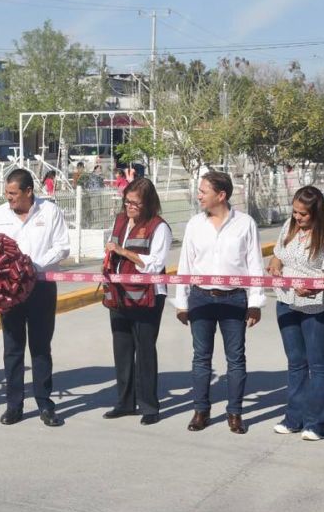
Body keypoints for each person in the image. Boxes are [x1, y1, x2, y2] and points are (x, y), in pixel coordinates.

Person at [174, 170, 265, 435]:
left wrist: (255, 302)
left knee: (235, 359)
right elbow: (185, 265)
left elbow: (254, 265)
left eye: (204, 191)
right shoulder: (194, 224)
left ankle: (235, 413)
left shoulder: (245, 223)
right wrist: (181, 302)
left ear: (221, 195)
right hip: (201, 298)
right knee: (201, 358)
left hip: (233, 299)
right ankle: (201, 410)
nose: (199, 195)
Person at [0, 168, 71, 427]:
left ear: (28, 192)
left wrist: (34, 266)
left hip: (41, 288)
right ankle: (14, 405)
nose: (9, 199)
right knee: (12, 349)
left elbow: (62, 247)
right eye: (7, 194)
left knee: (40, 348)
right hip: (10, 291)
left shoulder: (50, 212)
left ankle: (45, 404)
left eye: (13, 194)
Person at [266, 186, 324, 441]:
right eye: (295, 212)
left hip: (319, 307)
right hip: (287, 302)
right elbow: (278, 256)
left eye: (303, 214)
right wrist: (276, 267)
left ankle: (318, 423)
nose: (298, 217)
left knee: (317, 364)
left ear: (316, 212)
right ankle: (294, 419)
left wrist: (311, 289)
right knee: (295, 364)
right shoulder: (289, 227)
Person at [102, 177, 172, 426]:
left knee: (144, 351)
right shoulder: (120, 220)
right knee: (122, 350)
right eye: (127, 202)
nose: (129, 207)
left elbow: (154, 264)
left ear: (149, 204)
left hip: (147, 297)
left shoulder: (159, 227)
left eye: (135, 204)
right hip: (118, 295)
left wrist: (122, 251)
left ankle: (149, 405)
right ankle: (124, 402)